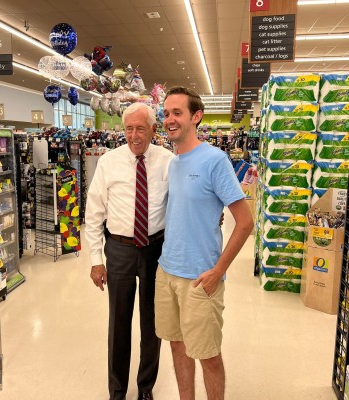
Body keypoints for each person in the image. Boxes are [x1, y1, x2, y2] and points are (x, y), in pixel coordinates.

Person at [155, 87, 254, 400]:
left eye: (177, 113)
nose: (169, 119)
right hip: (167, 271)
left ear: (196, 117)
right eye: (166, 113)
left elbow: (245, 221)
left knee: (208, 355)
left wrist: (218, 270)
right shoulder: (172, 162)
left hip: (201, 277)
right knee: (177, 343)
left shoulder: (215, 160)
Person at [85, 102, 174, 400]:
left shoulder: (168, 161)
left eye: (140, 128)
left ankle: (145, 387)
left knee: (153, 323)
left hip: (155, 250)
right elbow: (94, 213)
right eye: (129, 128)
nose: (134, 135)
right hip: (119, 250)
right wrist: (96, 261)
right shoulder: (109, 162)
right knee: (118, 323)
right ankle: (117, 390)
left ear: (152, 129)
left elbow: (181, 203)